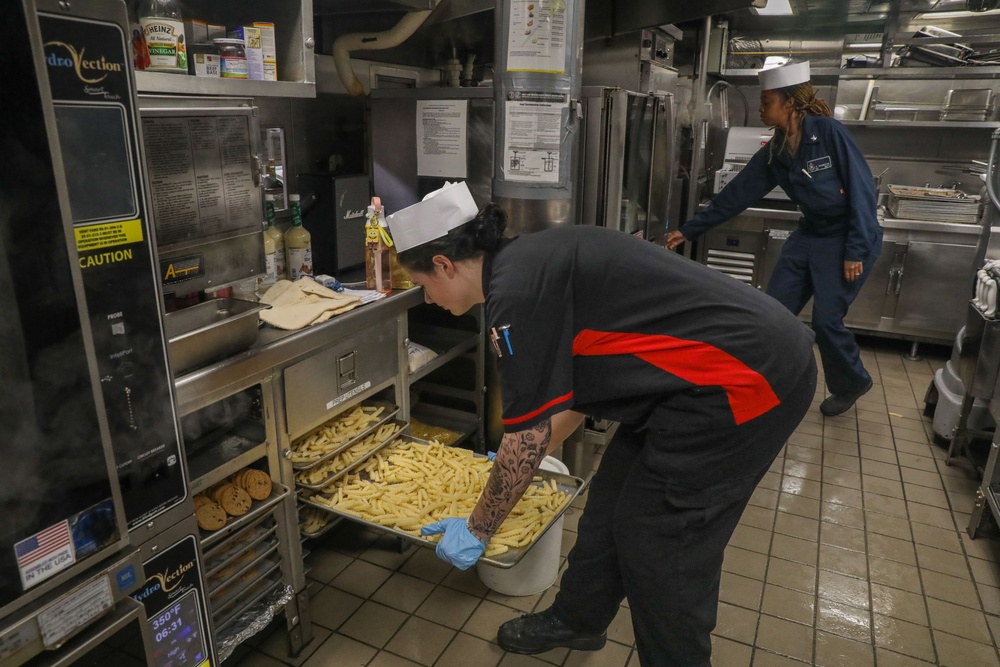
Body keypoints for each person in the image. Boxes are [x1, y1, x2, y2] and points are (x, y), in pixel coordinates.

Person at [386, 181, 818, 666]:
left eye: (424, 286)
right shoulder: (528, 261)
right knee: (611, 505)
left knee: (662, 544)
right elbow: (572, 397)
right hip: (686, 384)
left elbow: (526, 434)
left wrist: (480, 528)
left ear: (444, 265)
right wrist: (515, 466)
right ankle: (578, 619)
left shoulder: (515, 297)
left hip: (743, 382)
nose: (428, 299)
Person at [666, 61, 882, 417]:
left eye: (767, 102)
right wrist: (689, 230)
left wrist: (856, 249)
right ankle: (758, 380)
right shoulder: (777, 150)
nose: (762, 109)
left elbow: (861, 191)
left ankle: (851, 382)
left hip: (847, 239)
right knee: (772, 313)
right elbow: (738, 193)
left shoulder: (828, 132)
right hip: (810, 234)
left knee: (827, 322)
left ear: (791, 103)